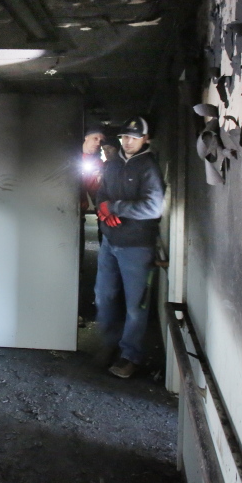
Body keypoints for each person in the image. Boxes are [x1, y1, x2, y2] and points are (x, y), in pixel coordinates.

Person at [94, 116, 165, 378]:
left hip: (137, 245)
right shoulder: (112, 165)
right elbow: (102, 192)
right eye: (125, 137)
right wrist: (103, 211)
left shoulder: (149, 168)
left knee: (137, 305)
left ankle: (129, 356)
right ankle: (109, 343)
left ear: (145, 139)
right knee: (103, 295)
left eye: (134, 137)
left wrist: (114, 207)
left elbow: (153, 207)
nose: (128, 141)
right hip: (110, 242)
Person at [79, 126, 106, 215]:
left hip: (79, 210)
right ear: (86, 137)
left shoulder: (98, 164)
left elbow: (94, 193)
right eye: (95, 138)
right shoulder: (70, 155)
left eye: (101, 141)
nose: (98, 143)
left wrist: (99, 181)